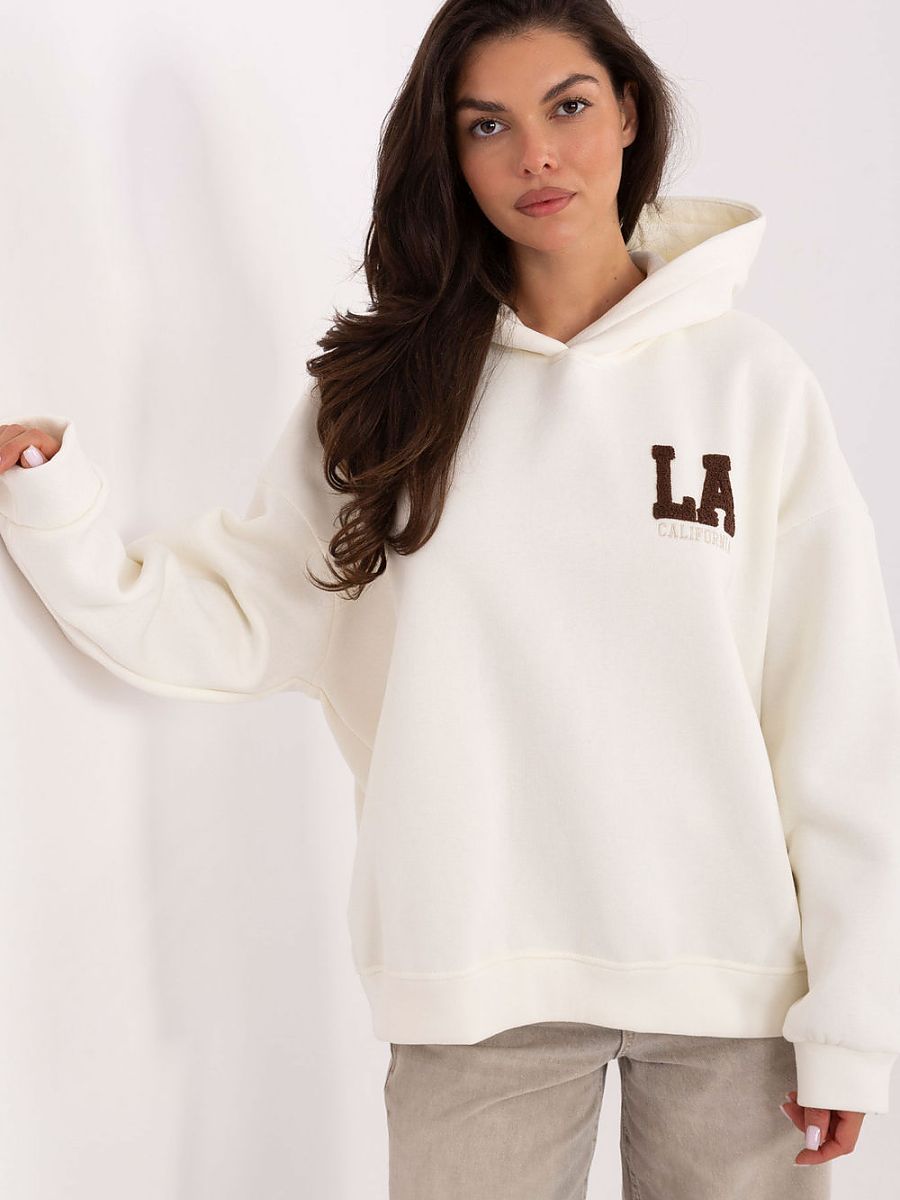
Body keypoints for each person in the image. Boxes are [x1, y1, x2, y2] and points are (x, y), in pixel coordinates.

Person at [1, 1, 897, 1196]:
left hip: (737, 989)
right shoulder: (389, 396)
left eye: (568, 107)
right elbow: (239, 616)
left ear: (629, 112)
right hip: (474, 983)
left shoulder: (752, 385)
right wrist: (53, 507)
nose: (537, 155)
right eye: (488, 125)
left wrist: (853, 1015)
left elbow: (839, 717)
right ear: (450, 151)